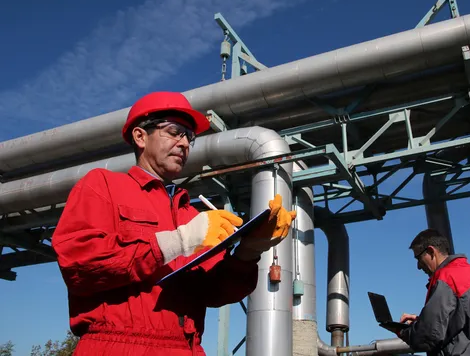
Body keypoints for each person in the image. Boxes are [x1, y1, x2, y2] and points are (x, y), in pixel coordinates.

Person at [51, 91, 296, 356]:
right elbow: (80, 265)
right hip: (118, 346)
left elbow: (214, 292)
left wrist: (250, 251)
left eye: (189, 136)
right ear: (140, 136)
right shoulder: (103, 187)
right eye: (174, 131)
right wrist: (178, 241)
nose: (184, 144)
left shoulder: (190, 215)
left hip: (185, 348)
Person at [396, 228, 470, 355]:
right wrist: (422, 320)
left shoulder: (446, 278)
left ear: (431, 251)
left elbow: (427, 337)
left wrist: (403, 331)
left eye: (418, 258)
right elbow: (462, 325)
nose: (419, 266)